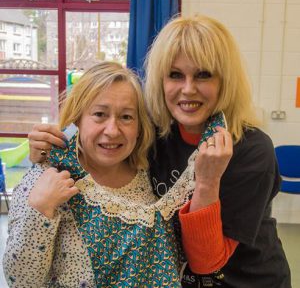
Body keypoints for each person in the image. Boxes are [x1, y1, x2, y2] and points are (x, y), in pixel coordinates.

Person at [25, 15, 291, 288]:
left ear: (225, 81)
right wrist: (47, 152)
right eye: (175, 75)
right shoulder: (153, 133)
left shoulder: (252, 149)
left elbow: (206, 262)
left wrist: (208, 182)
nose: (188, 89)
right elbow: (98, 143)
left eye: (203, 74)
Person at [3, 62, 185, 287]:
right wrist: (40, 209)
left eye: (126, 117)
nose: (112, 130)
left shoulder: (152, 174)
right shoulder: (47, 178)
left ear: (140, 127)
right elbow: (21, 281)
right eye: (99, 114)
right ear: (77, 118)